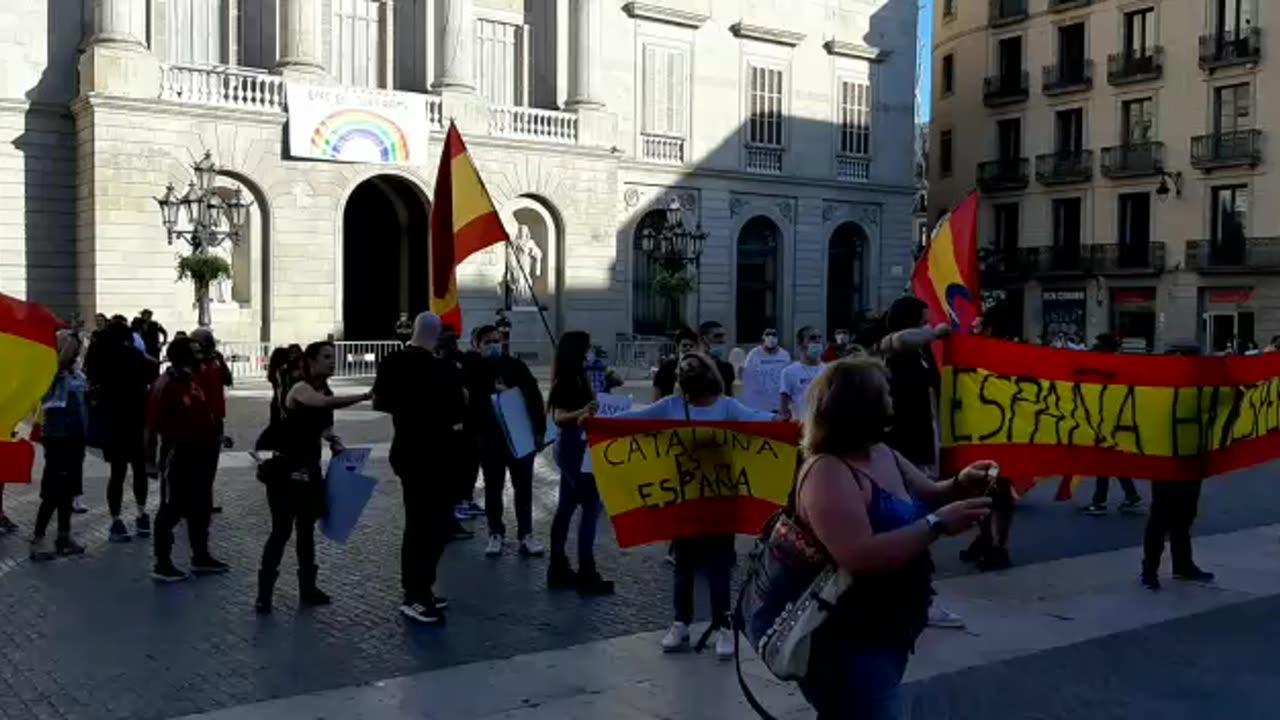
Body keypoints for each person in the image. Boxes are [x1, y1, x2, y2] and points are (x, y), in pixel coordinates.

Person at [794, 356, 994, 718]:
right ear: (861, 405)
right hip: (848, 637)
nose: (893, 401)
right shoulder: (828, 471)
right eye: (885, 393)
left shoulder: (881, 452)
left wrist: (962, 483)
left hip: (889, 626)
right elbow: (858, 555)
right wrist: (936, 524)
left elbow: (931, 492)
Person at [619, 351, 775, 659]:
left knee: (717, 566)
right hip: (685, 497)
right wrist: (595, 422)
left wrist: (783, 422)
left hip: (718, 498)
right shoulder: (672, 406)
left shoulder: (727, 407)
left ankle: (724, 626)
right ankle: (681, 623)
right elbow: (632, 421)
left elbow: (760, 422)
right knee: (685, 565)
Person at [256, 341, 370, 613]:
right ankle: (264, 594)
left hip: (309, 467)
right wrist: (364, 396)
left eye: (334, 357)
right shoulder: (301, 387)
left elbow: (323, 423)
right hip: (285, 469)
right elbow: (321, 404)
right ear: (311, 360)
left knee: (306, 530)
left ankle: (308, 588)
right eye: (327, 357)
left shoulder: (323, 388)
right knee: (281, 531)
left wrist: (333, 439)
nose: (333, 362)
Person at [373, 313, 469, 624]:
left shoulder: (391, 363)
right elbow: (459, 409)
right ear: (438, 335)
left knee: (420, 523)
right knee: (431, 526)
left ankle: (419, 588)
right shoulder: (442, 369)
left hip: (407, 451)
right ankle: (416, 593)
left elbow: (381, 402)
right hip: (437, 454)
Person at [877, 296, 966, 629]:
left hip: (923, 446)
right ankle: (921, 598)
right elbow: (902, 338)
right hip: (902, 447)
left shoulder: (921, 355)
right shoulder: (890, 346)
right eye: (923, 320)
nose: (928, 326)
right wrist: (936, 331)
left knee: (915, 523)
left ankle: (914, 595)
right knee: (914, 524)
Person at [461, 324, 546, 558]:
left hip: (519, 437)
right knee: (493, 488)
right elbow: (468, 399)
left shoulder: (515, 366)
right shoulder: (471, 369)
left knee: (523, 488)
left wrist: (539, 431)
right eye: (487, 341)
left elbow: (534, 397)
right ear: (476, 345)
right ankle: (495, 533)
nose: (493, 345)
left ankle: (526, 534)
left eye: (496, 340)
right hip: (489, 439)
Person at [147, 338, 227, 582]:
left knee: (200, 506)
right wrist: (149, 459)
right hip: (179, 452)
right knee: (172, 507)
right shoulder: (166, 383)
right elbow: (151, 424)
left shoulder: (191, 378)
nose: (200, 354)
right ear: (182, 356)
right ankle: (163, 562)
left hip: (202, 450)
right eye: (194, 351)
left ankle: (201, 556)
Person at [546, 331, 614, 595]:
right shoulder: (567, 379)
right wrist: (584, 411)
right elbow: (560, 417)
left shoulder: (576, 376)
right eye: (587, 348)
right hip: (574, 446)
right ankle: (586, 570)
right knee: (590, 506)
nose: (591, 352)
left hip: (575, 446)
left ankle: (559, 567)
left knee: (566, 507)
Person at [1142, 344, 1214, 591]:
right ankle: (1150, 569)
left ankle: (1182, 565)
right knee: (1161, 517)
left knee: (1183, 517)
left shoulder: (1200, 389)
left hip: (1191, 460)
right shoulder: (1158, 389)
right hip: (1167, 460)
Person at [85, 319, 157, 542]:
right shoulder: (133, 355)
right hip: (135, 418)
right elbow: (152, 371)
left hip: (112, 420)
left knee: (117, 473)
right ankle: (142, 513)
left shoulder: (100, 357)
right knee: (139, 469)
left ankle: (116, 521)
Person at [29, 331, 90, 561]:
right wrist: (71, 338)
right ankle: (38, 541)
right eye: (72, 347)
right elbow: (61, 361)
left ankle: (63, 538)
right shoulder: (51, 372)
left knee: (68, 492)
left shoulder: (77, 374)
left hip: (75, 439)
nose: (77, 351)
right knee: (53, 493)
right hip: (58, 438)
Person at [1084, 334, 1143, 516]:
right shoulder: (1118, 366)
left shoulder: (1109, 368)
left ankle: (1100, 501)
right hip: (1115, 421)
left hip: (1109, 421)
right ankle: (1130, 495)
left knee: (1105, 461)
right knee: (1113, 461)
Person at [191, 328, 233, 514]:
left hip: (216, 417)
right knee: (196, 463)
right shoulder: (193, 363)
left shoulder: (216, 359)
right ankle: (192, 502)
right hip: (198, 418)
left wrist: (222, 365)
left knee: (210, 463)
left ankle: (205, 501)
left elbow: (227, 379)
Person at [780, 326, 826, 422]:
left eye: (819, 337)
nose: (817, 341)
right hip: (799, 427)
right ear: (800, 345)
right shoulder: (789, 372)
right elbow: (784, 411)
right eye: (812, 338)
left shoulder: (829, 370)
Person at [741, 328, 792, 413]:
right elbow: (747, 375)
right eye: (768, 335)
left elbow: (788, 376)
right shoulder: (754, 354)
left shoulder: (784, 355)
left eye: (774, 335)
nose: (771, 339)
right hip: (759, 401)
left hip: (778, 401)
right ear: (763, 338)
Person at [652, 327, 701, 400]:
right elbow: (657, 394)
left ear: (697, 348)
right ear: (677, 347)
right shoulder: (666, 368)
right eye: (684, 345)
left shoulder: (703, 368)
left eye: (691, 346)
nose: (688, 348)